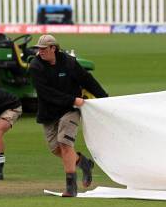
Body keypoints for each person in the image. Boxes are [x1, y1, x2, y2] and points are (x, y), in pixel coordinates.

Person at [29, 35, 108, 197]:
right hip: (49, 111)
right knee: (56, 149)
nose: (40, 52)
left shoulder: (69, 62)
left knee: (64, 144)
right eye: (39, 49)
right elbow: (45, 93)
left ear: (53, 48)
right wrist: (73, 99)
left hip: (70, 110)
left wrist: (105, 99)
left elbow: (87, 80)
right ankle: (83, 162)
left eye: (44, 49)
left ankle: (71, 187)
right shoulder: (35, 66)